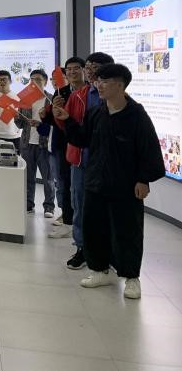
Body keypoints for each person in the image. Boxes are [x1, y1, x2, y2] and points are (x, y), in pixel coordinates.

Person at [54, 63, 164, 299]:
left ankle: (131, 277)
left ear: (121, 85)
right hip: (96, 181)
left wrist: (143, 180)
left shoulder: (137, 115)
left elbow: (149, 150)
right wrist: (67, 120)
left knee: (127, 231)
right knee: (95, 228)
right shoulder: (97, 113)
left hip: (126, 185)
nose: (99, 86)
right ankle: (99, 269)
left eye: (105, 81)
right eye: (98, 81)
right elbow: (82, 139)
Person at [54, 52, 114, 270]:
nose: (89, 71)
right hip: (80, 159)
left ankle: (108, 252)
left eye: (93, 67)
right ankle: (82, 248)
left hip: (108, 162)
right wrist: (59, 114)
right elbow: (67, 127)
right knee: (79, 204)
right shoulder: (78, 95)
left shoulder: (116, 97)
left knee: (106, 207)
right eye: (87, 67)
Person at [40, 58, 84, 239]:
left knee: (79, 188)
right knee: (65, 184)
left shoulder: (90, 92)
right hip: (63, 144)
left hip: (84, 144)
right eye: (69, 69)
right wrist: (46, 114)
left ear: (84, 70)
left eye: (76, 68)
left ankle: (80, 222)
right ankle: (68, 221)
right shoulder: (61, 92)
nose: (72, 72)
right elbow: (54, 119)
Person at [20, 69, 54, 216]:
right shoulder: (25, 100)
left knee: (48, 178)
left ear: (45, 81)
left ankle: (49, 207)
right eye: (32, 80)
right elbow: (20, 124)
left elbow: (56, 124)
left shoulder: (51, 99)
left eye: (38, 79)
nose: (34, 82)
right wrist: (16, 115)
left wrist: (40, 124)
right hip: (27, 143)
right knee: (28, 176)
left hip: (45, 144)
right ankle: (29, 203)